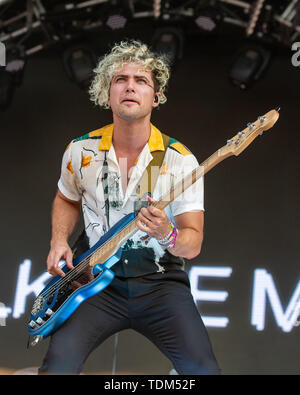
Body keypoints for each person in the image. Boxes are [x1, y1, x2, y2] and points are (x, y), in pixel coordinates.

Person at [39, 40, 220, 375]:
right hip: (93, 282)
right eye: (120, 79)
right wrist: (59, 241)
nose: (130, 87)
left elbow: (192, 244)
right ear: (106, 95)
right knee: (57, 369)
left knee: (203, 371)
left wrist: (166, 233)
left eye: (142, 81)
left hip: (160, 284)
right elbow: (66, 197)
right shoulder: (81, 150)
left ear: (157, 97)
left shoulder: (181, 160)